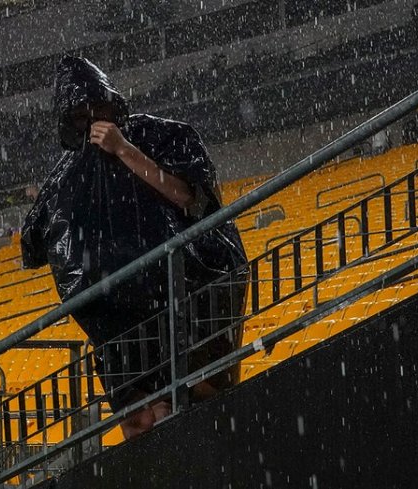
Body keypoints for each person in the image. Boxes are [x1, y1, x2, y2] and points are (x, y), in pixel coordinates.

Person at [21, 56, 248, 440]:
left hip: (181, 299)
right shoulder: (67, 175)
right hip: (117, 322)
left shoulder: (156, 136)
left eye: (99, 110)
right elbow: (35, 244)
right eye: (81, 115)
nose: (93, 121)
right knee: (141, 419)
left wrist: (123, 149)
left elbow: (188, 196)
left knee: (189, 402)